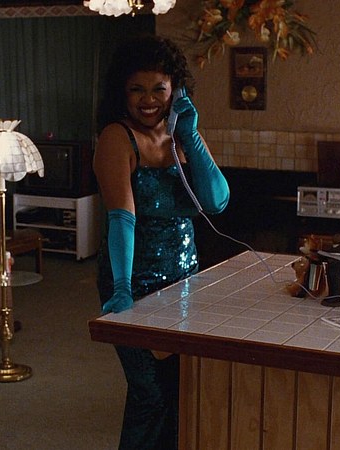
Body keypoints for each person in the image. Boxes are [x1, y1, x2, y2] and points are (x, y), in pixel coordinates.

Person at [93, 34, 230, 450]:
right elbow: (122, 217)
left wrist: (191, 135)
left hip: (184, 283)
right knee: (149, 395)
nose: (149, 100)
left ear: (176, 90)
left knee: (177, 392)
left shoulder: (180, 136)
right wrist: (122, 288)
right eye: (137, 89)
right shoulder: (117, 137)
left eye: (159, 88)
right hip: (133, 282)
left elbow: (217, 201)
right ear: (122, 92)